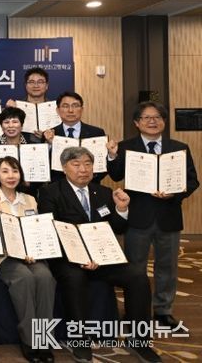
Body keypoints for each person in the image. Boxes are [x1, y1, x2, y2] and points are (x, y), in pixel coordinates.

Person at [39, 147, 160, 363]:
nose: (83, 170)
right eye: (76, 164)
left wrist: (122, 209)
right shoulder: (51, 192)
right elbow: (50, 231)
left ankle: (139, 340)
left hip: (102, 258)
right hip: (69, 259)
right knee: (74, 278)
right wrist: (81, 257)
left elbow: (118, 228)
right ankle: (80, 339)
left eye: (88, 164)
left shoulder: (103, 192)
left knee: (137, 276)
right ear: (64, 168)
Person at [107, 101, 199, 330]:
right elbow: (115, 175)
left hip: (169, 216)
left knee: (167, 268)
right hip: (138, 217)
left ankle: (163, 310)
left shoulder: (179, 148)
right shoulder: (126, 147)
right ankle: (135, 311)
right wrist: (111, 155)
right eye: (146, 117)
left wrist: (174, 194)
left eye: (157, 117)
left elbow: (192, 181)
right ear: (137, 123)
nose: (152, 121)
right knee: (134, 269)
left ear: (164, 121)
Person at [0, 156, 56, 363]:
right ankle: (30, 341)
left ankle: (44, 341)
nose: (11, 176)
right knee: (24, 278)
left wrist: (32, 251)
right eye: (5, 171)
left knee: (45, 278)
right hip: (2, 257)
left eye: (15, 171)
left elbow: (36, 230)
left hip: (30, 255)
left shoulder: (30, 200)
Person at [43, 91, 107, 183]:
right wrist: (49, 144)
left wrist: (87, 179)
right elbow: (43, 165)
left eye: (75, 106)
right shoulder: (48, 134)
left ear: (82, 109)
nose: (70, 110)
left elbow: (102, 164)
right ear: (58, 110)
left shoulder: (96, 133)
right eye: (65, 106)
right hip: (59, 187)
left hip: (89, 185)